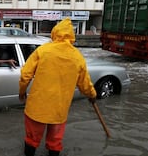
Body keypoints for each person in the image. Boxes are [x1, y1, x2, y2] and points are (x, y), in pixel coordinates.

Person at [18, 18, 97, 156]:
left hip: (37, 107)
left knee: (31, 140)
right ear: (71, 36)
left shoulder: (43, 51)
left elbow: (25, 75)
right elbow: (85, 84)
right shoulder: (77, 57)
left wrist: (22, 93)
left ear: (55, 33)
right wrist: (92, 95)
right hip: (59, 110)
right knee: (55, 142)